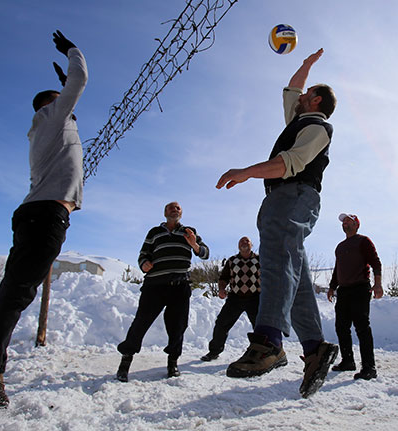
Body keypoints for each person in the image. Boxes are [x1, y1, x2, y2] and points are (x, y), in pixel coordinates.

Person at [0, 30, 88, 420]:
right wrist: (72, 52)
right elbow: (80, 81)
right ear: (52, 104)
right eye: (64, 104)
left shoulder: (47, 126)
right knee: (14, 296)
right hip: (45, 217)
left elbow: (69, 112)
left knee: (13, 295)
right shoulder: (54, 117)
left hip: (36, 215)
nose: (71, 109)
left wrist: (62, 96)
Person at [216, 48, 339, 398]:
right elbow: (290, 91)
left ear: (314, 100)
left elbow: (290, 163)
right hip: (283, 197)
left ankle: (268, 340)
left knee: (277, 256)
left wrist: (247, 172)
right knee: (294, 270)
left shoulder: (318, 128)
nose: (296, 98)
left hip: (294, 193)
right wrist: (305, 65)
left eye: (305, 94)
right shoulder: (298, 121)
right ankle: (315, 347)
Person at [116, 201, 209, 381]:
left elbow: (205, 253)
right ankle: (125, 361)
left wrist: (194, 245)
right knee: (141, 323)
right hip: (154, 285)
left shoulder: (189, 231)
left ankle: (172, 363)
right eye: (170, 208)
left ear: (181, 213)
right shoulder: (154, 233)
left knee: (178, 326)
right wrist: (144, 264)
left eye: (178, 208)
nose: (174, 210)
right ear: (165, 212)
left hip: (180, 285)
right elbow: (143, 254)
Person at [327, 213, 383, 380]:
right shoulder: (339, 247)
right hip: (343, 291)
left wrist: (378, 283)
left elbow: (375, 262)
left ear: (356, 224)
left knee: (362, 328)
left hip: (360, 288)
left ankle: (369, 367)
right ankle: (348, 361)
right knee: (341, 327)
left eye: (348, 221)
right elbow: (338, 270)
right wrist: (331, 287)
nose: (345, 223)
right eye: (343, 222)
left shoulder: (363, 241)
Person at [201, 236, 261, 362]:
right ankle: (214, 352)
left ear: (252, 245)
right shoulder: (232, 261)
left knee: (260, 327)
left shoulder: (260, 259)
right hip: (235, 298)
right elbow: (224, 278)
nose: (244, 243)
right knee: (221, 323)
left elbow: (269, 277)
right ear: (238, 246)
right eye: (241, 241)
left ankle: (262, 354)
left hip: (255, 298)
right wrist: (222, 289)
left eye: (247, 241)